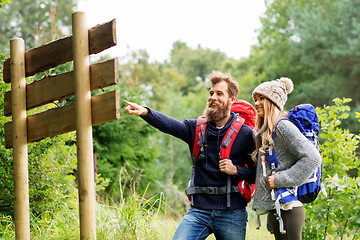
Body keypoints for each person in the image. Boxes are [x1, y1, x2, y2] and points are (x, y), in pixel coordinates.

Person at [124, 71, 255, 240]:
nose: (213, 97)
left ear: (231, 100)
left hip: (232, 212)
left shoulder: (245, 134)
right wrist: (146, 112)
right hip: (198, 211)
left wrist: (236, 171)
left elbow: (257, 175)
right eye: (211, 93)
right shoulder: (196, 129)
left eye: (219, 93)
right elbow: (170, 125)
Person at [251, 77, 322, 240]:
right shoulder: (270, 131)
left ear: (273, 101)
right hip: (279, 207)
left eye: (262, 98)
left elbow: (312, 158)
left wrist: (280, 179)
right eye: (255, 99)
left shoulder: (283, 126)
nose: (257, 103)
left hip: (290, 208)